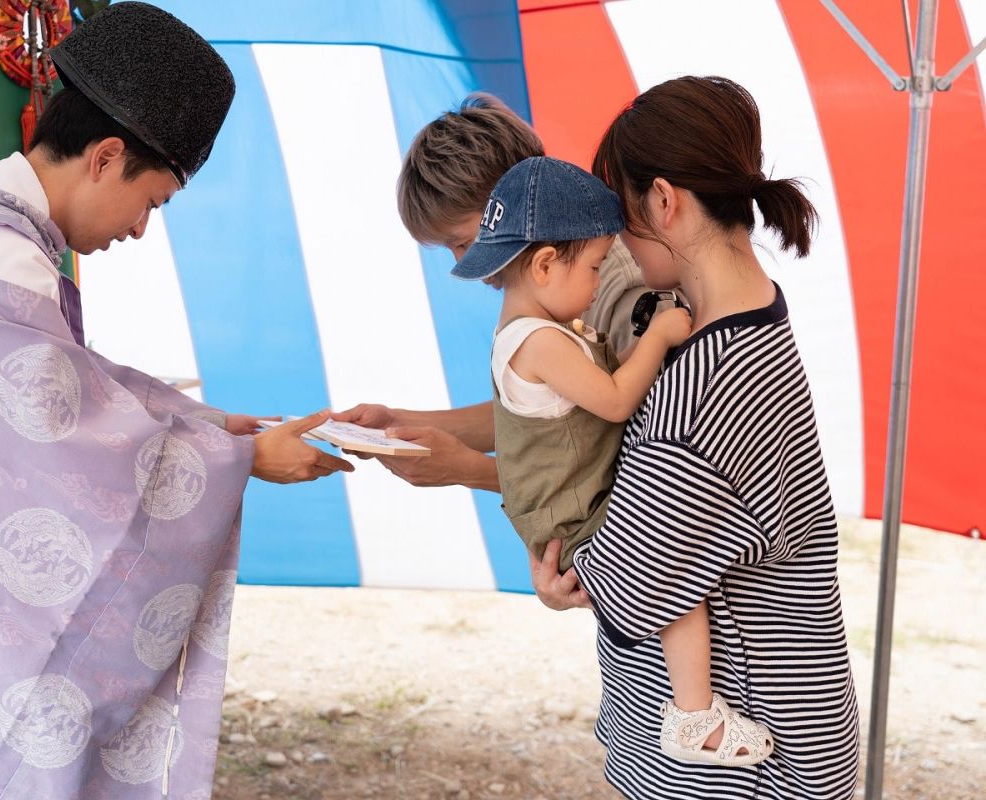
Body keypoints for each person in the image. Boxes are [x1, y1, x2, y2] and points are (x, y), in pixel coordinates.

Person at [0, 4, 350, 799]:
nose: (141, 230)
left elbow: (60, 387)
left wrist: (206, 422)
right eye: (152, 202)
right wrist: (245, 458)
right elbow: (65, 451)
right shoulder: (1, 264)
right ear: (106, 155)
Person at [532, 76, 860, 798]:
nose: (617, 239)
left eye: (622, 213)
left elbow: (629, 585)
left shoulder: (702, 390)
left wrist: (559, 568)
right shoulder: (757, 313)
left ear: (662, 200)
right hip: (799, 726)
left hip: (745, 767)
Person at [456, 154, 771, 768]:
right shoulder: (542, 342)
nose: (601, 282)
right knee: (679, 585)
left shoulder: (524, 333)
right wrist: (658, 335)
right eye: (597, 266)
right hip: (577, 514)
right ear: (546, 264)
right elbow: (616, 400)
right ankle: (693, 717)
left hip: (559, 505)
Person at [333, 94, 654, 497]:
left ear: (508, 206)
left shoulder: (617, 289)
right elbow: (547, 412)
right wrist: (392, 423)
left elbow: (636, 465)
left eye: (464, 242)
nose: (466, 266)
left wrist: (474, 471)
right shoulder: (550, 287)